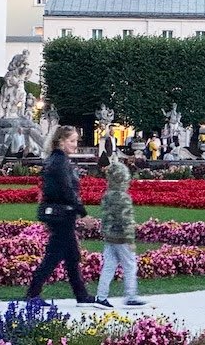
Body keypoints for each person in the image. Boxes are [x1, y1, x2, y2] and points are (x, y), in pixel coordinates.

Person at [26, 125, 97, 306]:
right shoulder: (61, 162)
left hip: (60, 213)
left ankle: (81, 295)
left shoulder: (55, 160)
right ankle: (33, 294)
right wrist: (83, 213)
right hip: (63, 214)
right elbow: (67, 191)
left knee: (71, 255)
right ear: (61, 142)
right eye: (72, 141)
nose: (75, 145)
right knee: (54, 256)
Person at [94, 161, 146, 307]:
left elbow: (105, 217)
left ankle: (101, 296)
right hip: (122, 238)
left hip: (109, 237)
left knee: (108, 266)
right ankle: (131, 295)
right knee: (130, 265)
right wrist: (131, 239)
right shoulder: (124, 197)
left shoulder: (107, 195)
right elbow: (126, 219)